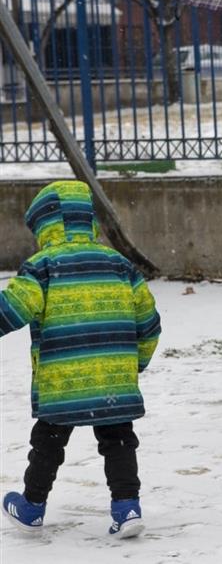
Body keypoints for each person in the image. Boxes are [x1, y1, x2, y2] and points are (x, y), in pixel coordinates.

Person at [0, 181, 161, 537]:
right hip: (113, 381)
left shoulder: (42, 266)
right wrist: (134, 364)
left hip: (63, 379)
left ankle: (32, 506)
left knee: (48, 441)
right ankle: (127, 507)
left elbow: (12, 309)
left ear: (46, 225)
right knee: (119, 439)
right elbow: (148, 322)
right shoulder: (120, 265)